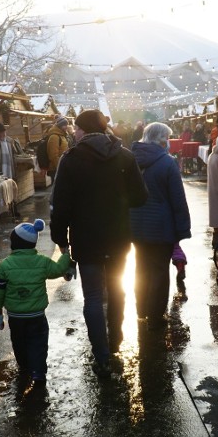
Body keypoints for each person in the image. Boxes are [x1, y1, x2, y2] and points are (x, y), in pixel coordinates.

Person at [50, 109, 148, 378]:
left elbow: (60, 205)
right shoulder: (125, 156)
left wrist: (60, 239)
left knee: (93, 296)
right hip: (118, 237)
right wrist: (117, 202)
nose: (75, 133)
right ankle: (115, 340)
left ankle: (102, 356)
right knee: (117, 290)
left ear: (83, 130)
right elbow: (140, 197)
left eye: (77, 129)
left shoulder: (70, 160)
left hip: (86, 239)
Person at [0, 219, 72, 384]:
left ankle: (24, 367)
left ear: (14, 244)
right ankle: (38, 372)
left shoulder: (5, 266)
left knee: (19, 343)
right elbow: (58, 269)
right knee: (38, 344)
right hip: (37, 315)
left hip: (15, 317)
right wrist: (66, 255)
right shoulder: (42, 262)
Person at [130, 122, 191, 331]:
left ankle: (141, 310)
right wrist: (182, 229)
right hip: (161, 227)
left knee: (141, 267)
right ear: (162, 139)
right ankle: (155, 315)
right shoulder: (167, 162)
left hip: (135, 225)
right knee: (159, 271)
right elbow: (178, 198)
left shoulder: (131, 159)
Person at [44, 115, 70, 180]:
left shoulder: (62, 135)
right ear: (60, 126)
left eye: (67, 125)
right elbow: (53, 156)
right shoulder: (54, 137)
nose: (66, 127)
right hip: (56, 169)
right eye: (64, 125)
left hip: (62, 167)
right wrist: (60, 168)